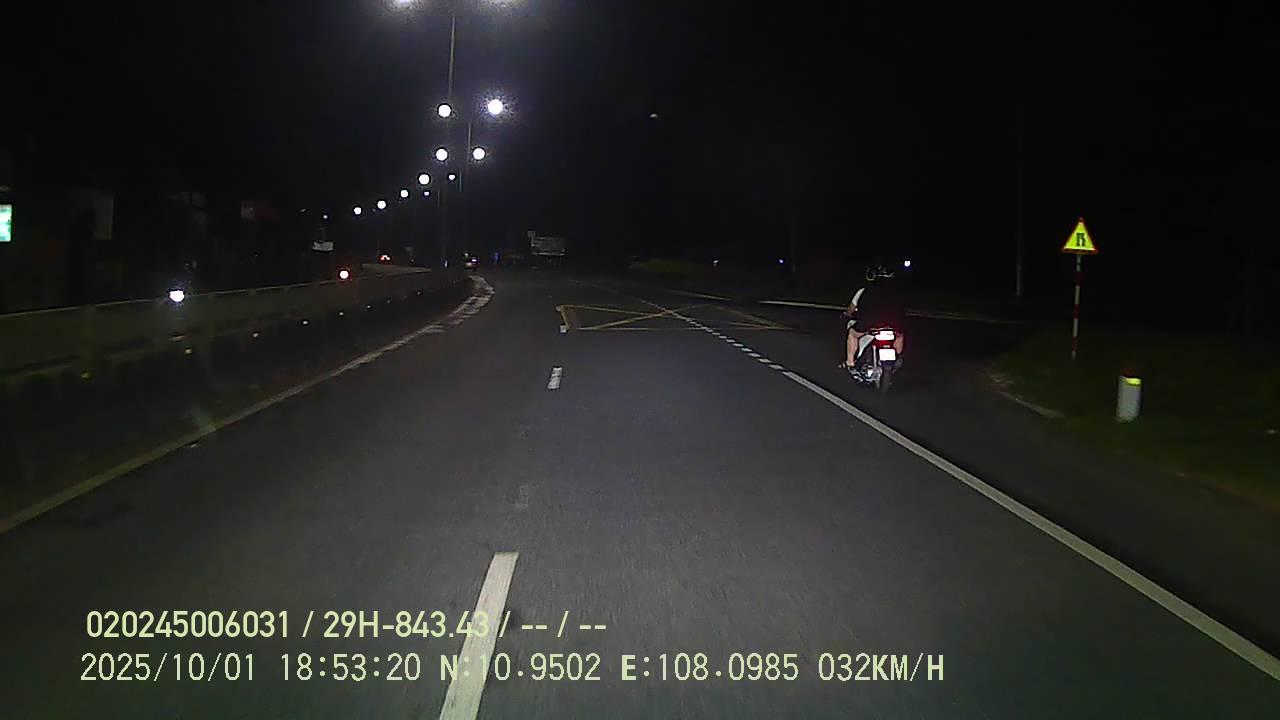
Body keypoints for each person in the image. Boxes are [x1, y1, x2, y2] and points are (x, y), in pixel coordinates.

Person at [841, 263, 907, 370]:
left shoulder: (864, 290)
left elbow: (851, 309)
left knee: (852, 334)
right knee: (899, 335)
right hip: (893, 323)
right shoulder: (897, 291)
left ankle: (850, 363)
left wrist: (846, 315)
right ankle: (899, 356)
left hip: (870, 322)